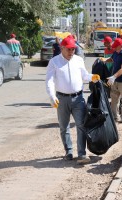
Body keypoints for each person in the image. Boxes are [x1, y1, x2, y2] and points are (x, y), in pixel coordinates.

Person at [45, 35, 100, 164]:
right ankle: (69, 151)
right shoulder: (54, 62)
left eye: (73, 49)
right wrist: (52, 96)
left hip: (78, 98)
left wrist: (92, 77)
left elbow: (84, 75)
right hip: (61, 99)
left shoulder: (78, 60)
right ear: (62, 48)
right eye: (68, 49)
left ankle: (81, 154)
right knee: (64, 127)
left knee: (81, 126)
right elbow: (49, 81)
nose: (71, 52)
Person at [103, 38, 122, 123]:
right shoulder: (116, 52)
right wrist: (105, 60)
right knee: (114, 98)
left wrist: (113, 77)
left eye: (116, 47)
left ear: (121, 46)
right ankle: (114, 116)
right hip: (116, 79)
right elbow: (112, 59)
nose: (114, 49)